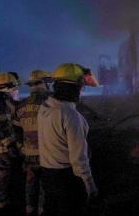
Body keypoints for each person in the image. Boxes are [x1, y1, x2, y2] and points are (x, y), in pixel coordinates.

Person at [37, 63, 98, 216]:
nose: (82, 91)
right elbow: (78, 158)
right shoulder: (71, 116)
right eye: (81, 87)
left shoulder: (45, 108)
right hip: (67, 179)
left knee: (50, 210)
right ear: (74, 88)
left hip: (47, 173)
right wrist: (89, 185)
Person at [14, 70, 52, 216]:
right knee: (45, 186)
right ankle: (43, 211)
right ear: (45, 84)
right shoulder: (49, 104)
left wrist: (22, 149)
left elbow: (17, 130)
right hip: (46, 155)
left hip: (28, 155)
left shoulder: (21, 105)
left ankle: (29, 210)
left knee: (30, 184)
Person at [0, 72, 22, 215]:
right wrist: (11, 146)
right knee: (1, 178)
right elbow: (2, 127)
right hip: (1, 149)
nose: (17, 90)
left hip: (0, 148)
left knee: (4, 177)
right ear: (9, 87)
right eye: (15, 88)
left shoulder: (3, 101)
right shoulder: (1, 104)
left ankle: (2, 204)